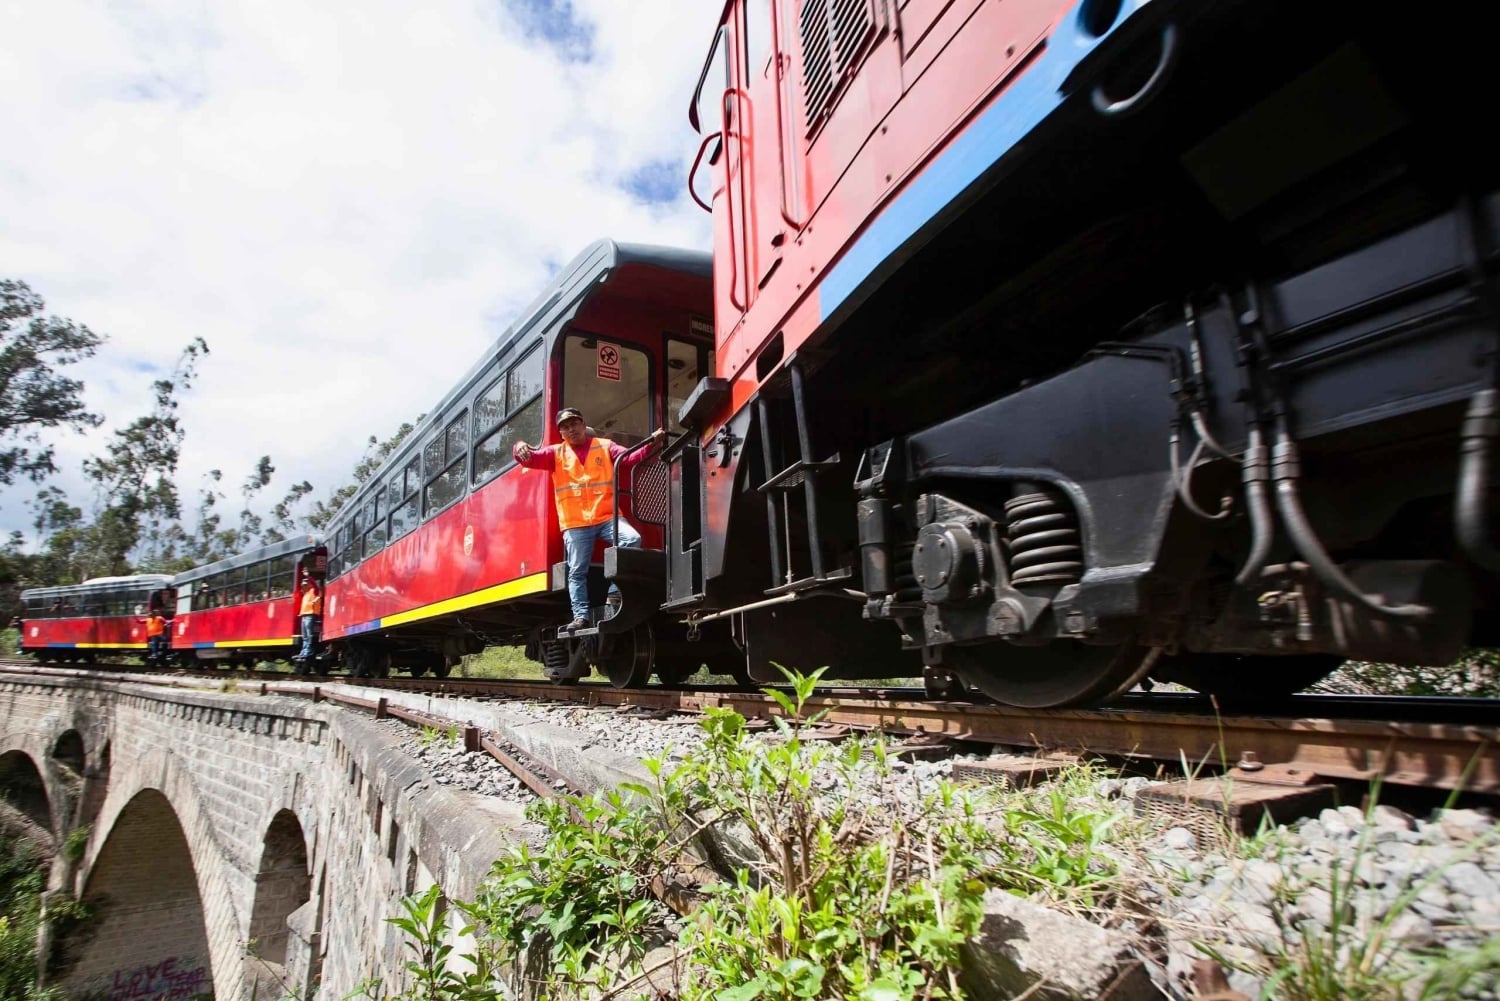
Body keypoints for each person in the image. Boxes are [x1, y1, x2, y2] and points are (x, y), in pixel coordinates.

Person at [514, 407, 667, 631]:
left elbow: (629, 457)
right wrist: (518, 446)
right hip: (575, 523)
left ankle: (614, 592)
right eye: (565, 427)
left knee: (632, 539)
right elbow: (528, 459)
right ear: (561, 433)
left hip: (606, 516)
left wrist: (652, 442)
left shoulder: (604, 446)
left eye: (574, 424)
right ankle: (580, 616)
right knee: (577, 571)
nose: (571, 429)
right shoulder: (555, 453)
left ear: (583, 425)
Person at [296, 578, 322, 664]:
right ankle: (304, 650)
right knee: (304, 636)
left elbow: (316, 587)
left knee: (309, 634)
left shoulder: (314, 590)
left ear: (309, 584)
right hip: (304, 615)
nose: (304, 586)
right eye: (303, 584)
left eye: (305, 584)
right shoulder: (306, 593)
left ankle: (309, 650)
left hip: (310, 614)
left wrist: (309, 577)